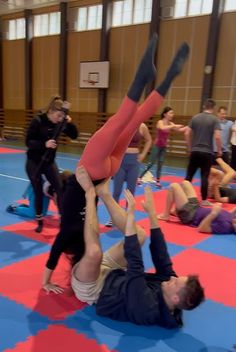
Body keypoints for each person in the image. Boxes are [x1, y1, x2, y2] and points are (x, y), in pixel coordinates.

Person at [43, 34, 190, 293]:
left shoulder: (91, 236)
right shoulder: (68, 227)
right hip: (94, 171)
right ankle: (144, 76)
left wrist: (50, 279)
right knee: (123, 120)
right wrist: (45, 280)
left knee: (132, 122)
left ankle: (166, 80)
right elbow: (56, 249)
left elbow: (65, 244)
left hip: (106, 174)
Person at [68, 168, 204, 328]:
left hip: (93, 288)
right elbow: (162, 259)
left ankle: (90, 194)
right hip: (113, 273)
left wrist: (131, 213)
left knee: (94, 253)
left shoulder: (147, 308)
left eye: (175, 283)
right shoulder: (171, 290)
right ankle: (104, 193)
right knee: (140, 235)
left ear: (175, 298)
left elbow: (135, 266)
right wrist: (152, 214)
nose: (172, 279)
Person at [25, 96, 78, 233]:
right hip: (34, 162)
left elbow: (74, 135)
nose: (59, 119)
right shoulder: (38, 121)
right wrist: (44, 144)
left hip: (49, 162)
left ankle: (62, 219)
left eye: (62, 116)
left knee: (59, 189)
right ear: (50, 111)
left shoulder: (59, 123)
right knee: (38, 191)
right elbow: (28, 142)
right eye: (58, 115)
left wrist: (69, 123)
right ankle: (40, 221)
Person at [105, 123, 152, 227]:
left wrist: (143, 154)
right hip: (120, 161)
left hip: (134, 162)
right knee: (116, 191)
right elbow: (112, 137)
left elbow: (149, 140)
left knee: (130, 192)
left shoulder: (142, 126)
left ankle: (129, 217)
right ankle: (113, 217)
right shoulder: (124, 123)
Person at [158, 180, 236, 234]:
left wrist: (213, 213)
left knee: (173, 186)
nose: (235, 220)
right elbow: (228, 214)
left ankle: (166, 215)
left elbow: (202, 229)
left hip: (190, 216)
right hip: (196, 207)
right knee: (186, 183)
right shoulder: (232, 220)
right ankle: (177, 211)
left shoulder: (225, 227)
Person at [185, 98, 222, 206]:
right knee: (204, 176)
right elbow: (218, 137)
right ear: (213, 108)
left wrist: (189, 147)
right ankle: (204, 200)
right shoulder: (215, 120)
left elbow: (187, 133)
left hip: (195, 151)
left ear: (204, 106)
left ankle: (183, 197)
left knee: (189, 176)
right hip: (207, 153)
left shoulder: (195, 118)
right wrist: (219, 150)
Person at [139, 106, 185, 187]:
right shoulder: (160, 122)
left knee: (160, 163)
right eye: (170, 113)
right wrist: (173, 126)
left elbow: (180, 130)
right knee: (151, 163)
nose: (172, 115)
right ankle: (140, 177)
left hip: (163, 147)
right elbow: (162, 128)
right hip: (157, 146)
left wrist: (189, 127)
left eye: (172, 113)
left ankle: (158, 181)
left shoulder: (170, 124)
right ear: (165, 114)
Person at [6, 170, 72, 219]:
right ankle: (14, 208)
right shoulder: (57, 184)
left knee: (43, 214)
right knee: (33, 215)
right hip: (36, 188)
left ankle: (29, 207)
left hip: (46, 190)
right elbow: (57, 203)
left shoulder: (67, 182)